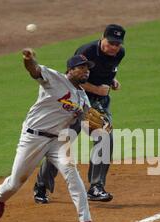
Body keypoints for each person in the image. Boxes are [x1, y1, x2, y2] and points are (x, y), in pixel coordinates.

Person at [0, 48, 97, 222]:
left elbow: (86, 124)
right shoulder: (54, 79)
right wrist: (28, 59)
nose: (86, 71)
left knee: (71, 173)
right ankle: (0, 197)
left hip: (58, 141)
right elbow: (34, 71)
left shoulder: (83, 98)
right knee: (15, 183)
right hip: (33, 138)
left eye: (87, 68)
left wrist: (99, 128)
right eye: (81, 68)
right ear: (70, 70)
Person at [33, 24, 126, 204]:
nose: (114, 47)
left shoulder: (120, 53)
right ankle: (42, 185)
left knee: (105, 135)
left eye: (117, 44)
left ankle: (96, 187)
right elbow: (70, 78)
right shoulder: (87, 51)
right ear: (102, 38)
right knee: (61, 143)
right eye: (111, 42)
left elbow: (107, 70)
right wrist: (98, 89)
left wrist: (111, 81)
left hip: (98, 104)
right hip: (76, 101)